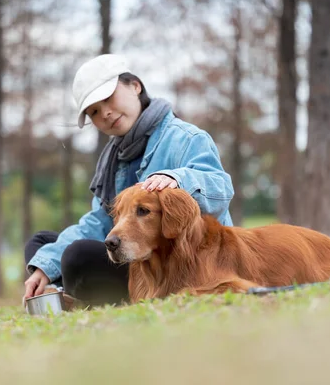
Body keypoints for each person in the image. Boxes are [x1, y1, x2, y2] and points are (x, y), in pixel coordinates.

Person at [23, 54, 234, 308]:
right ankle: (57, 288)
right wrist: (45, 265)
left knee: (77, 256)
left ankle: (69, 292)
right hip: (133, 258)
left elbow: (221, 190)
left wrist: (177, 179)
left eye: (108, 99)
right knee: (41, 245)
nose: (105, 113)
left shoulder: (185, 138)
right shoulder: (114, 160)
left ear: (135, 86)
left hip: (184, 264)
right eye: (94, 112)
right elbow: (97, 225)